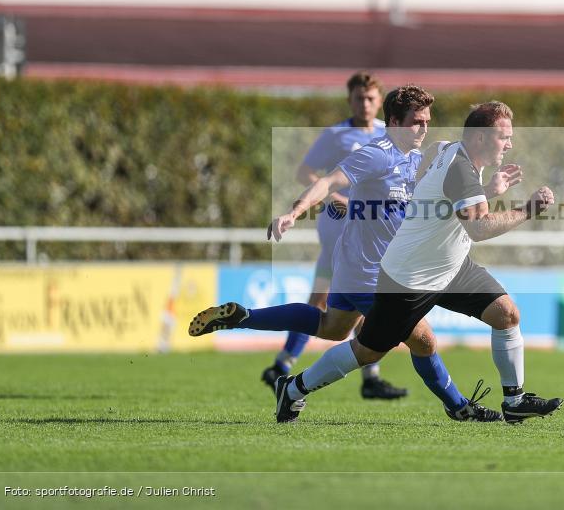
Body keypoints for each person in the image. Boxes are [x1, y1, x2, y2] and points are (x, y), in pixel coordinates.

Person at [189, 86, 519, 423]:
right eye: (416, 122)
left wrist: (487, 192)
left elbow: (430, 208)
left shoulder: (419, 160)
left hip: (361, 264)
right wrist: (295, 211)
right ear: (393, 123)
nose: (424, 129)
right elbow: (329, 182)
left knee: (331, 327)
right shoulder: (377, 154)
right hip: (370, 270)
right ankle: (459, 406)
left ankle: (244, 317)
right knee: (422, 340)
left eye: (427, 122)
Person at [274, 101, 564, 424]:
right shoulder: (460, 169)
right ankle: (293, 388)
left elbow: (434, 175)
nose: (509, 144)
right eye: (503, 137)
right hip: (409, 278)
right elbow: (479, 228)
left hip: (452, 267)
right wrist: (527, 210)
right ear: (481, 137)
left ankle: (515, 401)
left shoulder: (448, 150)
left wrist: (485, 191)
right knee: (367, 351)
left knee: (506, 314)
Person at [259, 71, 406, 400]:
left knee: (343, 303)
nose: (364, 104)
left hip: (371, 233)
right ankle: (291, 366)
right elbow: (305, 172)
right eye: (358, 98)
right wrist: (333, 197)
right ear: (349, 100)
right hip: (338, 230)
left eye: (370, 98)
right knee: (338, 300)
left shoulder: (387, 134)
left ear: (380, 102)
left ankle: (285, 365)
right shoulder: (336, 134)